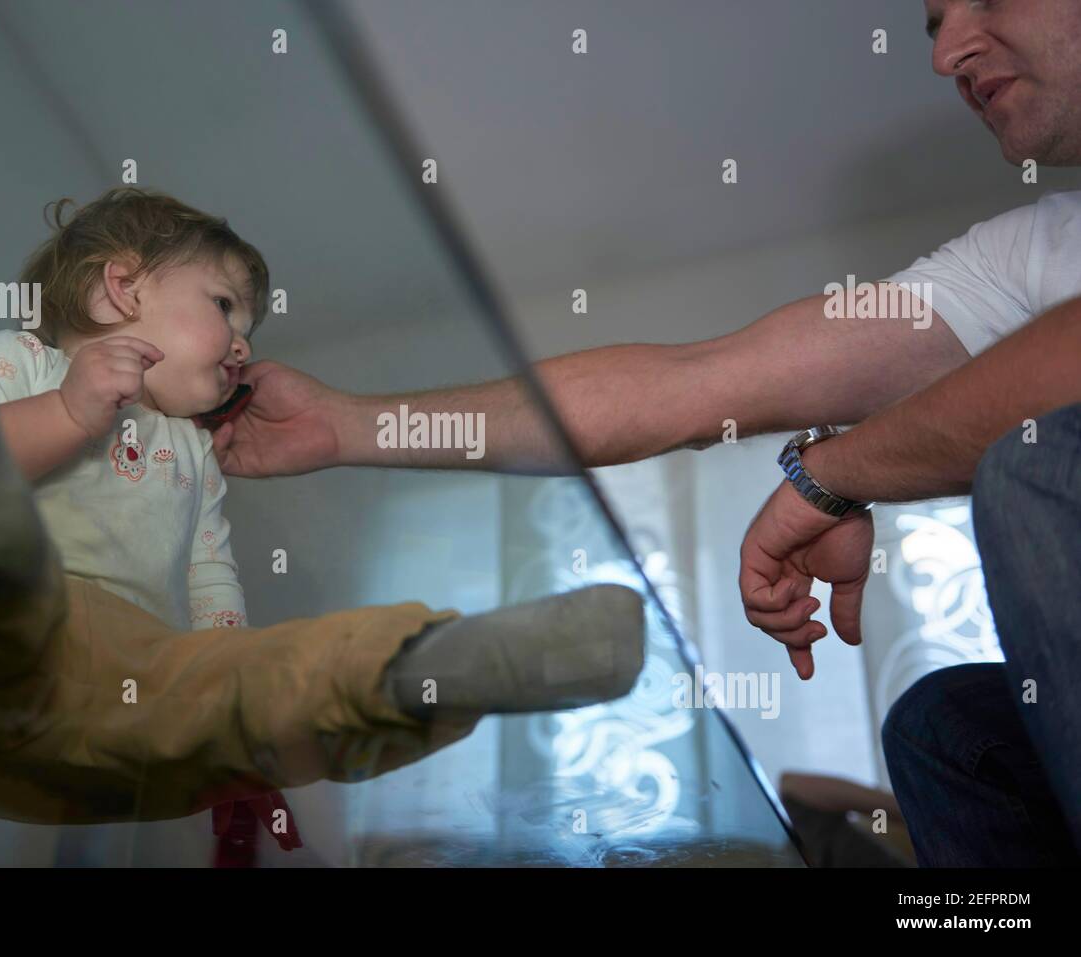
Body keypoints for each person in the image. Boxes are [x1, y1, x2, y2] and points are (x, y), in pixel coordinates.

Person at [211, 0, 1081, 865]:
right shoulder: (1028, 256)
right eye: (932, 23)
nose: (946, 52)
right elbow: (692, 386)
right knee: (946, 726)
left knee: (1032, 472)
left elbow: (1060, 369)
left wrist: (831, 472)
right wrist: (349, 425)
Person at [0, 187, 645, 826]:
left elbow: (209, 567)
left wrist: (218, 646)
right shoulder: (23, 363)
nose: (244, 343)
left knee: (213, 698)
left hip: (79, 703)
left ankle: (438, 667)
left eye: (250, 329)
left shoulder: (193, 451)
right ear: (118, 290)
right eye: (225, 308)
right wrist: (67, 413)